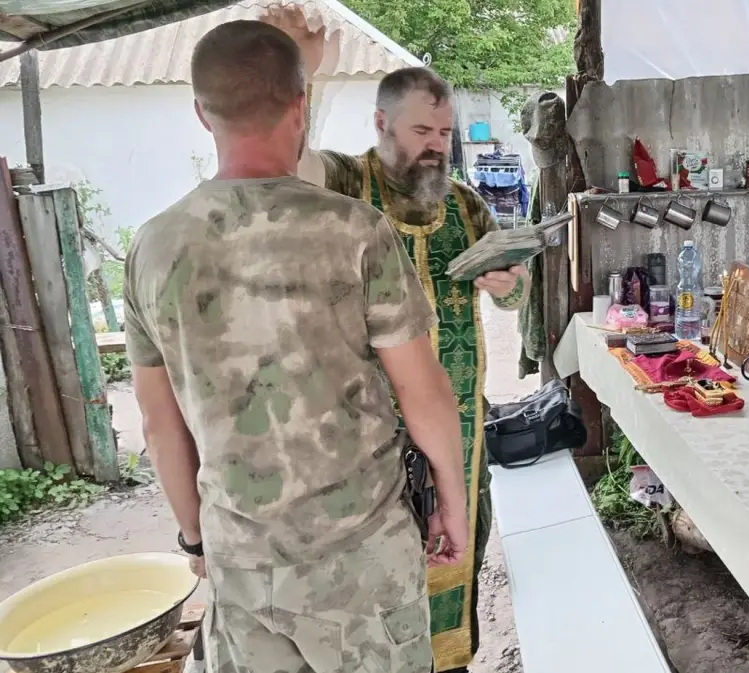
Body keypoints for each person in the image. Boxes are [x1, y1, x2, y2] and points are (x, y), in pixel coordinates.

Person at [125, 19, 468, 673]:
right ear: (300, 104)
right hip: (362, 565)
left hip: (243, 564)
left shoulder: (154, 247)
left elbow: (158, 421)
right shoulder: (357, 232)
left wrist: (195, 537)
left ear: (202, 113)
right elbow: (423, 395)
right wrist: (451, 503)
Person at [260, 9, 530, 672]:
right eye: (421, 131)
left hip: (460, 428)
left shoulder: (467, 205)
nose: (437, 144)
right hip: (367, 432)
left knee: (460, 554)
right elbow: (285, 159)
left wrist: (510, 284)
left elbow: (519, 293)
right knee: (378, 581)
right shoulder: (347, 185)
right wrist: (300, 71)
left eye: (443, 131)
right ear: (381, 126)